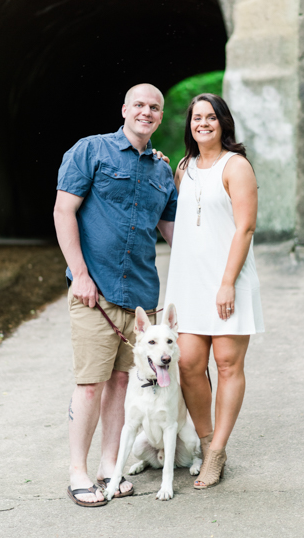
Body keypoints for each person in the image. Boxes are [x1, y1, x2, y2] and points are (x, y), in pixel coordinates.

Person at [54, 84, 177, 506]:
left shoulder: (162, 172)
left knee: (123, 382)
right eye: (139, 105)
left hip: (142, 298)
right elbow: (63, 210)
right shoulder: (91, 151)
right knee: (90, 383)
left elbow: (174, 234)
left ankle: (111, 466)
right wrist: (81, 275)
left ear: (160, 117)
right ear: (124, 109)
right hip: (96, 292)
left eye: (154, 108)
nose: (146, 112)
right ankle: (78, 473)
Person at [163, 93, 264, 489]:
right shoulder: (183, 168)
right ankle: (206, 441)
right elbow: (178, 222)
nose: (202, 123)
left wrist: (227, 283)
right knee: (187, 363)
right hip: (188, 282)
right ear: (189, 125)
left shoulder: (236, 167)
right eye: (196, 118)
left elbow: (245, 228)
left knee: (226, 364)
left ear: (223, 122)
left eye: (210, 117)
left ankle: (218, 452)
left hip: (229, 280)